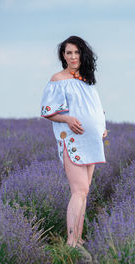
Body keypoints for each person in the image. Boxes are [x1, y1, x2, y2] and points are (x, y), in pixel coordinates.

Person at [40, 36, 107, 248]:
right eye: (69, 53)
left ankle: (78, 238)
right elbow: (48, 111)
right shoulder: (58, 79)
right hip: (73, 139)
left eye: (77, 52)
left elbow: (95, 108)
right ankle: (71, 242)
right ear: (63, 56)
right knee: (78, 191)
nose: (73, 56)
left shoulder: (86, 80)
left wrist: (101, 127)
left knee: (84, 191)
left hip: (92, 139)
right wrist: (68, 119)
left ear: (82, 54)